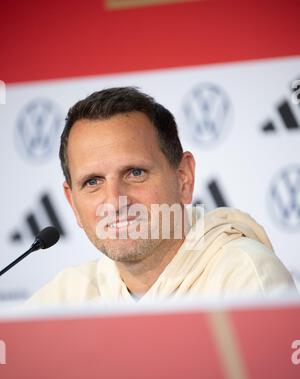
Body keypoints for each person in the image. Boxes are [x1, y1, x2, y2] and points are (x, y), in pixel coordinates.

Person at [26, 87, 296, 305]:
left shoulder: (245, 278)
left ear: (183, 178)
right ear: (72, 202)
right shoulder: (63, 300)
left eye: (135, 173)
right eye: (93, 181)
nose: (114, 201)